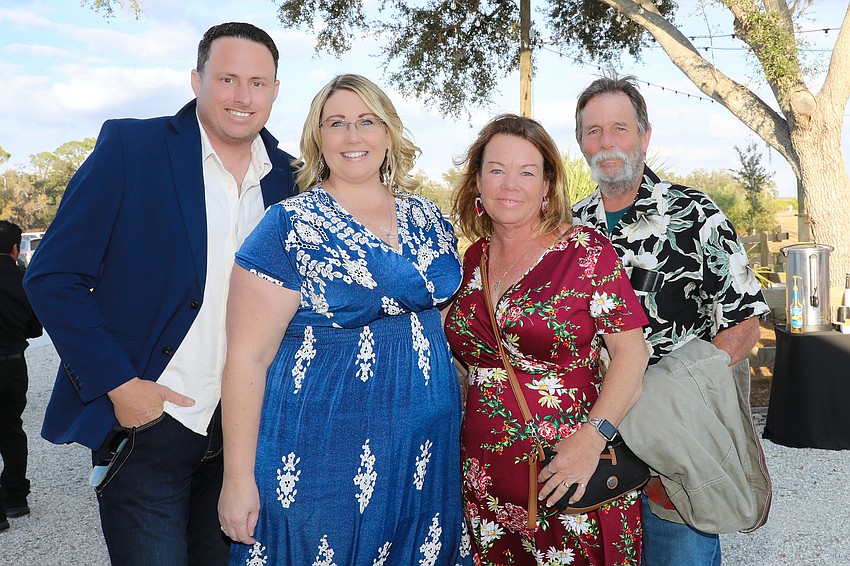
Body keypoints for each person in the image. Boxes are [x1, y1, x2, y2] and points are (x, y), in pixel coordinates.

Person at [23, 22, 297, 565]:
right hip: (152, 422)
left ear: (275, 91)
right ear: (197, 80)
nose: (243, 96)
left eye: (258, 83)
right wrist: (121, 387)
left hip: (250, 435)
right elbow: (53, 276)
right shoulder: (132, 148)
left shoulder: (291, 178)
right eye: (227, 79)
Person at [217, 73, 471, 565]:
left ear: (389, 132)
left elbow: (440, 328)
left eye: (366, 121)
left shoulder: (428, 217)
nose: (353, 135)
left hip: (425, 456)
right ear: (317, 137)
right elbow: (247, 359)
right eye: (336, 123)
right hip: (321, 459)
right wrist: (238, 478)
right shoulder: (288, 225)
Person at [571, 73, 769, 566]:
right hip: (591, 449)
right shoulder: (569, 229)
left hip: (674, 455)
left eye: (619, 128)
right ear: (580, 142)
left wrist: (677, 395)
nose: (607, 142)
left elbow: (744, 324)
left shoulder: (695, 215)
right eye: (594, 131)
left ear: (644, 136)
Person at [444, 114, 650, 565]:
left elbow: (631, 355)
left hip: (570, 474)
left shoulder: (585, 252)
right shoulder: (471, 259)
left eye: (526, 172)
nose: (509, 184)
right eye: (496, 169)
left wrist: (591, 441)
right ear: (477, 181)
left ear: (547, 185)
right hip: (485, 481)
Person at [0, 220, 42, 533]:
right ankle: (15, 498)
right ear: (16, 249)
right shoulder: (25, 281)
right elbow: (35, 328)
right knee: (12, 430)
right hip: (12, 364)